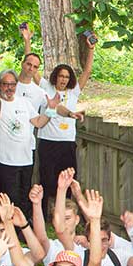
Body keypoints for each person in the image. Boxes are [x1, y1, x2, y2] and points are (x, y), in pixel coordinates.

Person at [33, 33, 95, 212]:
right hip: (48, 141)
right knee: (46, 180)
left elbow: (87, 72)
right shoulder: (46, 87)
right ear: (55, 76)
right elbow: (33, 70)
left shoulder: (74, 91)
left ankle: (64, 215)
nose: (63, 79)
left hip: (67, 144)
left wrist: (91, 49)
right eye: (61, 76)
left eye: (67, 77)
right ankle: (42, 215)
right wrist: (27, 41)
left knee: (67, 180)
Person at [0, 47, 50, 205]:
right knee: (11, 199)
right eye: (5, 84)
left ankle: (21, 228)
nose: (9, 88)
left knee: (24, 198)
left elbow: (39, 122)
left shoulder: (24, 102)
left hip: (26, 160)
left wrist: (51, 111)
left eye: (12, 84)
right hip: (5, 161)